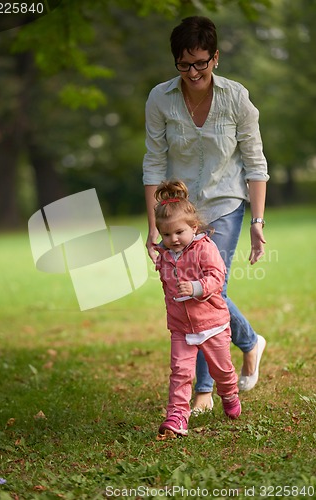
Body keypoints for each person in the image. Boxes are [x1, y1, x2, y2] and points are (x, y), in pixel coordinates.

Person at [143, 15, 268, 413]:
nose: (193, 72)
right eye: (184, 64)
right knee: (191, 290)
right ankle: (249, 341)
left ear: (215, 58)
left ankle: (203, 389)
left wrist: (258, 222)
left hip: (224, 204)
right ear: (176, 62)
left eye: (201, 62)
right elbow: (153, 163)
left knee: (210, 288)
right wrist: (152, 226)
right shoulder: (160, 99)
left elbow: (255, 163)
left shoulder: (236, 98)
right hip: (178, 211)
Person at [154, 180, 241, 439]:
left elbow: (217, 276)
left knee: (222, 370)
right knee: (180, 372)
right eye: (166, 235)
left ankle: (229, 393)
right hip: (181, 327)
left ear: (193, 227)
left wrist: (196, 287)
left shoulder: (205, 248)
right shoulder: (165, 254)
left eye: (179, 232)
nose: (173, 239)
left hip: (212, 323)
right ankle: (177, 415)